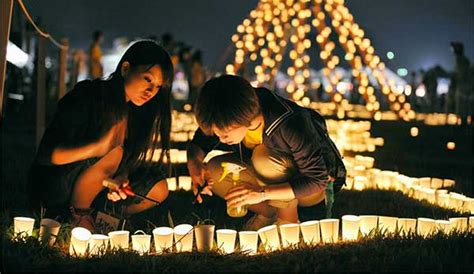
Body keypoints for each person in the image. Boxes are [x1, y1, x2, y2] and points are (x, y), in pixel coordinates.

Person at [27, 40, 174, 232]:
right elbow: (46, 155)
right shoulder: (90, 95)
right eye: (147, 79)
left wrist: (121, 177)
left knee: (159, 188)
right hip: (54, 186)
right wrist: (97, 148)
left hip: (95, 186)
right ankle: (79, 216)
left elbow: (122, 161)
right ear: (126, 68)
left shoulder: (136, 113)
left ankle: (100, 214)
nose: (151, 92)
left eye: (157, 87)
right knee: (114, 151)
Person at [187, 75, 346, 231]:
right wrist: (195, 165)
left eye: (223, 132)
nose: (219, 137)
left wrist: (262, 193)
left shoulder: (288, 122)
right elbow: (199, 144)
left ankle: (287, 223)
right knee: (215, 169)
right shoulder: (227, 114)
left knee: (263, 157)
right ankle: (269, 214)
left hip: (310, 189)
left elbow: (317, 180)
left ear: (240, 115)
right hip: (270, 184)